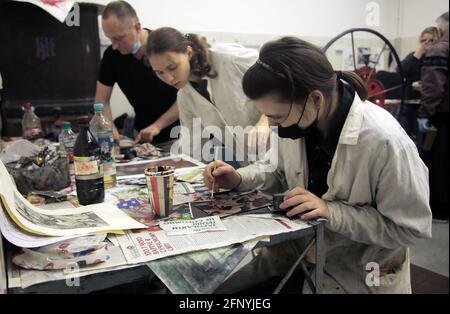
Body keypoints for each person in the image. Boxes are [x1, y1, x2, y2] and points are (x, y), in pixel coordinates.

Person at [203, 37, 432, 293]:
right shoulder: (300, 121)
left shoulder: (384, 142)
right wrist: (238, 178)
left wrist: (332, 212)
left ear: (315, 99)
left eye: (276, 116)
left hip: (358, 269)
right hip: (300, 254)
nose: (272, 124)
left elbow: (410, 229)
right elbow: (278, 170)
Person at [146, 27, 269, 164]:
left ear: (188, 52)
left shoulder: (229, 59)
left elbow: (279, 82)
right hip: (253, 170)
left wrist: (265, 122)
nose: (169, 78)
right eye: (160, 72)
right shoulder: (185, 98)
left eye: (172, 67)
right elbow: (193, 150)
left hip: (282, 151)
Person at [95, 1, 179, 144]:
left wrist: (157, 126)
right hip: (143, 137)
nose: (114, 45)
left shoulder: (164, 47)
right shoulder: (112, 56)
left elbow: (186, 97)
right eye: (110, 39)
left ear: (137, 27)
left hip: (180, 135)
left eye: (119, 38)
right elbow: (101, 100)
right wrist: (108, 127)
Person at [418, 12, 449, 223]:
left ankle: (439, 210)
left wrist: (425, 113)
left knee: (437, 164)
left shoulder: (440, 49)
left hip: (441, 118)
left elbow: (433, 87)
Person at [401, 27, 440, 100]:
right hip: (411, 100)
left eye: (431, 40)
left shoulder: (440, 57)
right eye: (424, 40)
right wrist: (416, 56)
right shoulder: (415, 55)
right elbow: (400, 71)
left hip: (432, 100)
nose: (426, 43)